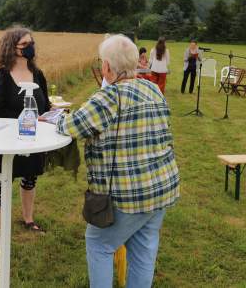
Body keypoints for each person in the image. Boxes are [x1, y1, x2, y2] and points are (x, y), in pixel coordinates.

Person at [56, 35, 179, 288]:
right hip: (161, 188)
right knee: (144, 249)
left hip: (127, 195)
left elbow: (73, 126)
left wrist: (55, 118)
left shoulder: (109, 96)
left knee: (99, 244)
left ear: (107, 67)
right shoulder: (153, 88)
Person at [0, 26, 51, 237]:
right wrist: (24, 118)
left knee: (30, 179)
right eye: (24, 44)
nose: (29, 47)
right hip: (7, 140)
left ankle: (28, 218)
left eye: (31, 43)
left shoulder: (38, 74)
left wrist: (50, 115)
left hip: (33, 139)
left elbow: (46, 104)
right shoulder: (2, 76)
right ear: (12, 48)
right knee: (0, 185)